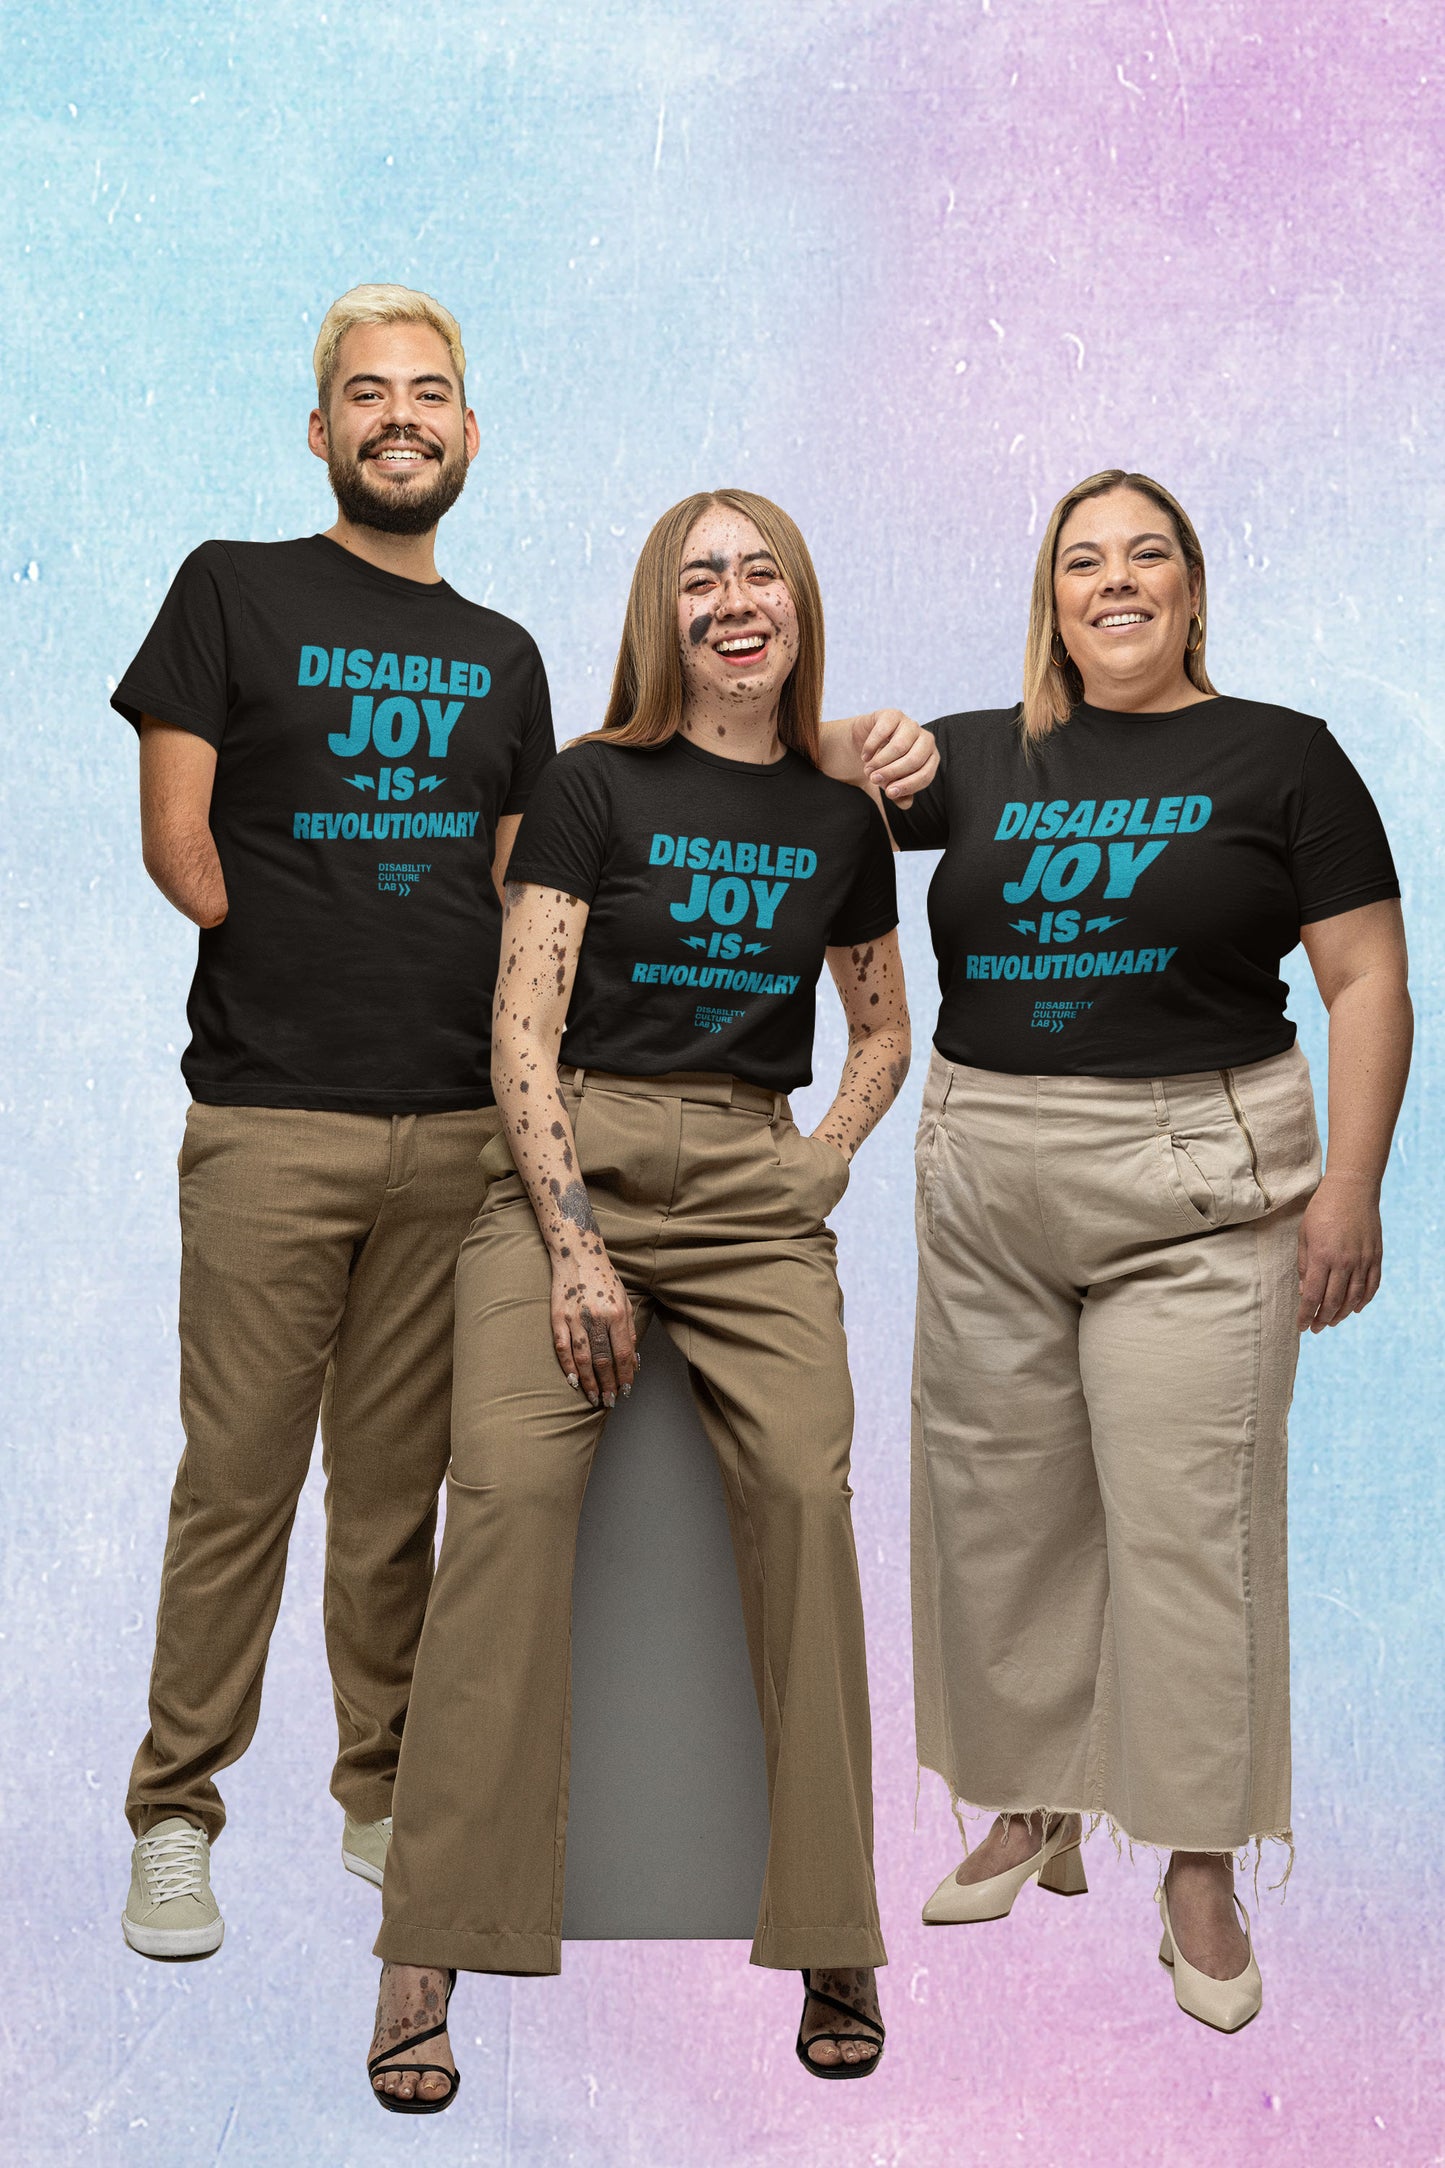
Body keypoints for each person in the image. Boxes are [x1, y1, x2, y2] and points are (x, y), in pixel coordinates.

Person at [364, 488, 917, 2110]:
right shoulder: (591, 783)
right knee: (515, 1501)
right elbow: (519, 1031)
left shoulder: (837, 816)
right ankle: (428, 1944)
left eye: (760, 573)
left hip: (754, 1188)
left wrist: (820, 1159)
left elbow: (881, 1025)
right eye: (701, 577)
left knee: (805, 1494)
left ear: (798, 605)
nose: (734, 598)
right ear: (662, 614)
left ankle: (832, 1928)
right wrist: (577, 1246)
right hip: (571, 1167)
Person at [885, 469, 1410, 2032]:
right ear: (1048, 594)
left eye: (1145, 557)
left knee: (1188, 1526)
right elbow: (769, 771)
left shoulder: (1279, 755)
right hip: (988, 1164)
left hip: (1195, 1179)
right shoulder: (976, 754)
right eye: (1080, 561)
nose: (1114, 583)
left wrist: (1352, 1186)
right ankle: (1033, 1801)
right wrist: (860, 749)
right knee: (996, 1508)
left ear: (1190, 585)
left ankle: (1194, 1858)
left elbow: (1367, 977)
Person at [113, 284, 558, 1958]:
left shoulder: (503, 655)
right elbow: (182, 843)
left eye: (427, 392)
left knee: (394, 1494)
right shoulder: (232, 590)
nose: (397, 416)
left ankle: (382, 1792)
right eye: (364, 393)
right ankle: (175, 1811)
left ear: (462, 431)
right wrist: (288, 947)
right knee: (237, 1481)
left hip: (456, 1135)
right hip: (271, 1123)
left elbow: (528, 899)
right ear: (321, 432)